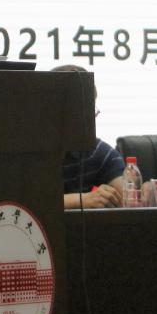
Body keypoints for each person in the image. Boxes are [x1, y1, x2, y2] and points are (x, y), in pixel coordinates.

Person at [51, 64, 125, 209]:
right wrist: (80, 200)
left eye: (92, 109)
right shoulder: (28, 152)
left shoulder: (96, 151)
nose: (91, 117)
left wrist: (139, 192)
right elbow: (24, 202)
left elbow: (126, 197)